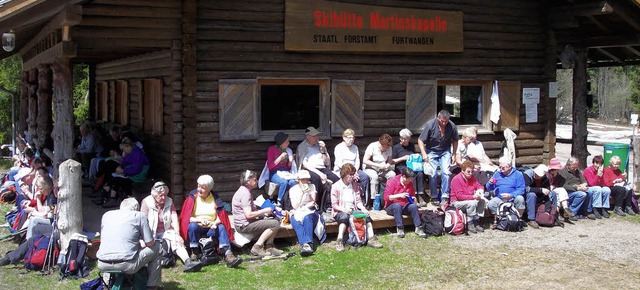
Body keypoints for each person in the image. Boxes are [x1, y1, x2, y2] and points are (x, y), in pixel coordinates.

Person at [97, 198, 162, 290]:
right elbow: (150, 243)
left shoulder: (106, 215)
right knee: (158, 247)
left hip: (102, 264)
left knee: (110, 251)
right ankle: (152, 286)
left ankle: (106, 285)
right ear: (136, 208)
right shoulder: (139, 216)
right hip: (127, 265)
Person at [178, 175, 241, 267]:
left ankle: (228, 254)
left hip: (212, 227)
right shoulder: (192, 198)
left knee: (221, 227)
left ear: (209, 188)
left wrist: (215, 223)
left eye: (202, 188)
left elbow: (222, 215)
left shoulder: (215, 198)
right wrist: (199, 220)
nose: (199, 189)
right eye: (198, 186)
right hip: (198, 226)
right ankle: (194, 252)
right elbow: (187, 217)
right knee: (192, 226)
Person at [140, 181, 204, 272]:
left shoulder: (169, 201)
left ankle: (188, 261)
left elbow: (174, 219)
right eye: (161, 195)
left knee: (176, 241)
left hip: (166, 230)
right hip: (151, 231)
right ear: (154, 195)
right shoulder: (146, 202)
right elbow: (143, 221)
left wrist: (177, 234)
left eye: (165, 195)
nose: (164, 197)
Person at [330, 163, 383, 252]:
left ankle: (371, 238)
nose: (352, 176)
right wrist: (344, 210)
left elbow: (358, 201)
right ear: (344, 174)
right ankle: (339, 240)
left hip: (352, 210)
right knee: (344, 217)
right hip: (340, 210)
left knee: (366, 216)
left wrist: (363, 209)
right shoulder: (336, 186)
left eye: (353, 174)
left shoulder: (355, 185)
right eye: (350, 174)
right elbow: (334, 205)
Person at [232, 170, 284, 257]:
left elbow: (251, 210)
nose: (257, 181)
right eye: (255, 180)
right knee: (275, 224)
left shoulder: (244, 191)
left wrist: (262, 214)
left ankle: (269, 246)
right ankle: (257, 246)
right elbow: (248, 215)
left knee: (277, 219)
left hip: (245, 223)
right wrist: (264, 211)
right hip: (244, 225)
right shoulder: (245, 194)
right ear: (248, 181)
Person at [418, 110, 459, 206]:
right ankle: (434, 196)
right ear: (438, 118)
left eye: (446, 121)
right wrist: (424, 153)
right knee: (433, 174)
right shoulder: (430, 125)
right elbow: (420, 140)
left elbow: (455, 141)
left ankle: (445, 196)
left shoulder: (452, 126)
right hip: (431, 150)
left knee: (446, 172)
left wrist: (454, 154)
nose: (444, 123)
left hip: (445, 151)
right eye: (442, 121)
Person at [101, 137, 150, 208]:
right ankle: (107, 196)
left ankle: (112, 199)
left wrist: (123, 171)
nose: (124, 151)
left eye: (124, 149)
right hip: (133, 176)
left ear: (128, 147)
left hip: (138, 178)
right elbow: (126, 161)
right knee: (113, 177)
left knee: (117, 180)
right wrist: (121, 166)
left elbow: (136, 169)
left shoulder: (137, 154)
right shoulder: (133, 152)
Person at [298, 127, 339, 208]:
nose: (316, 138)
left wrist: (323, 150)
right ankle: (316, 203)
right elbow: (304, 163)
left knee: (336, 179)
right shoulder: (302, 147)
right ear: (308, 136)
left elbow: (326, 162)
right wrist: (320, 174)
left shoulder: (319, 146)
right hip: (309, 169)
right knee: (316, 179)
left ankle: (334, 203)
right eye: (314, 136)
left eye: (317, 135)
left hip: (322, 168)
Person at [288, 170, 325, 257]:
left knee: (307, 218)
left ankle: (308, 244)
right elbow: (295, 206)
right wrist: (302, 194)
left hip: (309, 209)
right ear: (298, 180)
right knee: (295, 221)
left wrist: (308, 193)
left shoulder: (312, 186)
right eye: (302, 179)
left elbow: (313, 202)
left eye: (307, 179)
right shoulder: (293, 189)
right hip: (298, 210)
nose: (305, 181)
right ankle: (306, 243)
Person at [383, 167, 427, 238]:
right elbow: (386, 197)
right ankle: (400, 228)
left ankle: (418, 227)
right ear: (403, 177)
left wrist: (413, 199)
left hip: (405, 205)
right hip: (391, 206)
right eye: (409, 179)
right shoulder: (392, 181)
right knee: (397, 206)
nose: (410, 181)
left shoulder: (410, 183)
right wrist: (399, 195)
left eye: (411, 179)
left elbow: (413, 198)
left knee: (413, 206)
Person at [391, 128, 426, 205]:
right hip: (401, 167)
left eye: (405, 139)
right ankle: (413, 196)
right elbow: (392, 161)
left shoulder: (411, 146)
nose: (403, 140)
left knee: (420, 173)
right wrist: (402, 158)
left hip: (412, 166)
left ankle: (420, 195)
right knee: (410, 175)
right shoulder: (396, 147)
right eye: (402, 138)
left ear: (409, 139)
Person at [333, 128, 369, 202]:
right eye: (350, 137)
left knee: (365, 177)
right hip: (342, 170)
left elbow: (357, 161)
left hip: (354, 169)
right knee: (348, 177)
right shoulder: (338, 147)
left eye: (353, 138)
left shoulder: (355, 147)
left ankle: (363, 201)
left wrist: (354, 171)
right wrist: (350, 173)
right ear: (344, 138)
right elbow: (339, 162)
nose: (352, 139)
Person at [449, 160, 486, 233]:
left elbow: (479, 185)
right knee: (472, 203)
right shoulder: (456, 179)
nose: (470, 174)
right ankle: (470, 223)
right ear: (463, 170)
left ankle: (476, 220)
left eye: (472, 172)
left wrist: (480, 191)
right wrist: (473, 197)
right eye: (468, 172)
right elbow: (459, 196)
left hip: (469, 199)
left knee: (482, 201)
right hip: (456, 202)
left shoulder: (471, 178)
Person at [363, 133, 396, 208]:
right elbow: (365, 160)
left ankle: (389, 195)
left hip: (383, 168)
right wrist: (378, 165)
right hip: (370, 167)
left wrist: (387, 165)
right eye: (384, 147)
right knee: (374, 177)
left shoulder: (389, 148)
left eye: (387, 147)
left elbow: (390, 160)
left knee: (392, 175)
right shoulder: (372, 146)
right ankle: (374, 199)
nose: (386, 149)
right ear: (380, 144)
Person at [522, 164, 558, 228]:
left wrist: (547, 210)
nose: (538, 176)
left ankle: (553, 215)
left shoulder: (546, 178)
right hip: (528, 196)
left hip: (540, 195)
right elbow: (526, 189)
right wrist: (541, 190)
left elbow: (548, 192)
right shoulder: (527, 175)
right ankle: (531, 219)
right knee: (531, 195)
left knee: (553, 193)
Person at [266, 132, 297, 205]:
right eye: (286, 142)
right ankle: (279, 202)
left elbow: (288, 167)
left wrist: (290, 162)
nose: (288, 143)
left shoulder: (288, 150)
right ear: (281, 142)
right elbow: (270, 166)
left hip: (285, 172)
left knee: (293, 182)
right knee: (283, 182)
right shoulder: (272, 149)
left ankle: (292, 202)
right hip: (275, 172)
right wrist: (280, 158)